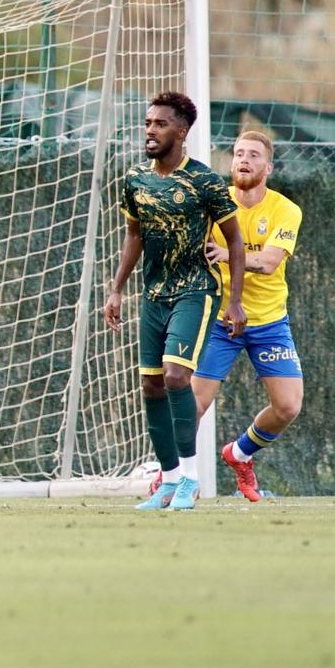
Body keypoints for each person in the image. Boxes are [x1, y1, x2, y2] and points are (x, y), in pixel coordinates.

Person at [103, 91, 245, 514]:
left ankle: (189, 479)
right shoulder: (135, 181)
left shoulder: (205, 181)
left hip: (195, 289)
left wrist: (234, 300)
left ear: (181, 132)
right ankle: (166, 481)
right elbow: (134, 236)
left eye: (160, 124)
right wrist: (116, 289)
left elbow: (234, 240)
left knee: (177, 378)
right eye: (148, 123)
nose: (150, 130)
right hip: (154, 294)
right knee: (151, 384)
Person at [194, 129, 303, 502]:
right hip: (220, 322)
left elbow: (271, 262)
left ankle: (239, 454)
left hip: (269, 322)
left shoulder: (285, 210)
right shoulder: (213, 206)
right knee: (192, 405)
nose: (244, 160)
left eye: (254, 155)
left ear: (268, 166)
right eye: (239, 153)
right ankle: (172, 476)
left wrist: (229, 255)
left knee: (288, 406)